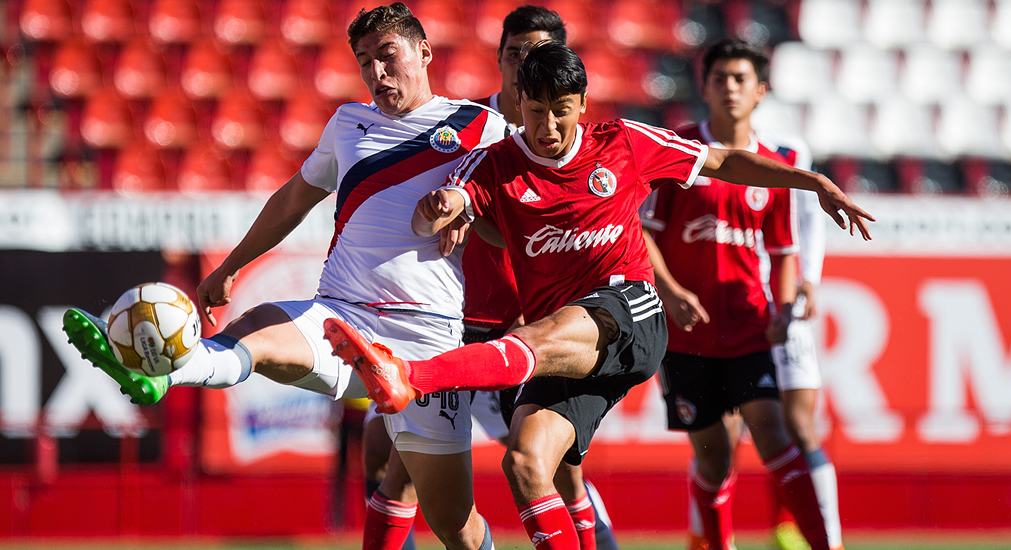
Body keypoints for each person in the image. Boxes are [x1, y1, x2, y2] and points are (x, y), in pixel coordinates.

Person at [323, 40, 872, 550]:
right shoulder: (497, 165)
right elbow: (446, 202)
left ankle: (410, 376)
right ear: (520, 103)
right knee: (526, 463)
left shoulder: (626, 143)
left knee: (536, 335)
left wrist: (814, 183)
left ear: (582, 103)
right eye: (535, 110)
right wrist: (443, 208)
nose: (548, 124)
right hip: (568, 347)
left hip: (630, 313)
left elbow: (724, 162)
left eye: (561, 108)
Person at [63, 4, 508, 550]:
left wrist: (470, 205)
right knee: (256, 329)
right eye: (365, 62)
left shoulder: (482, 127)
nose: (376, 73)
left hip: (426, 339)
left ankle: (180, 366)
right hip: (340, 314)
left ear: (424, 53)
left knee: (456, 528)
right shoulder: (348, 123)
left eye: (387, 56)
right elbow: (294, 199)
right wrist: (231, 265)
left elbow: (512, 219)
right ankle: (167, 371)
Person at [359, 7, 620, 550]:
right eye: (514, 52)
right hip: (454, 322)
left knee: (557, 469)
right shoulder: (467, 129)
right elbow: (442, 198)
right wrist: (448, 211)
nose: (524, 62)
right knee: (393, 459)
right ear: (500, 59)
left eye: (536, 52)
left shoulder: (565, 139)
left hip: (523, 327)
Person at [639, 39, 832, 550]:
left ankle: (825, 544)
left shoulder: (773, 167)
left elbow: (785, 250)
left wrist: (785, 306)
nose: (729, 88)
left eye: (740, 79)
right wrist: (671, 290)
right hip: (685, 335)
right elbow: (643, 233)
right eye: (720, 78)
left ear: (760, 91)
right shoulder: (677, 150)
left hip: (747, 325)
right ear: (704, 86)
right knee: (714, 456)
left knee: (774, 433)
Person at [757, 128, 843, 550]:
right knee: (723, 435)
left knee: (799, 423)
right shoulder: (703, 144)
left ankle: (828, 539)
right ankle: (716, 537)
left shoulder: (788, 148)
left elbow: (808, 215)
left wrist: (809, 277)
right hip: (733, 305)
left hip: (784, 302)